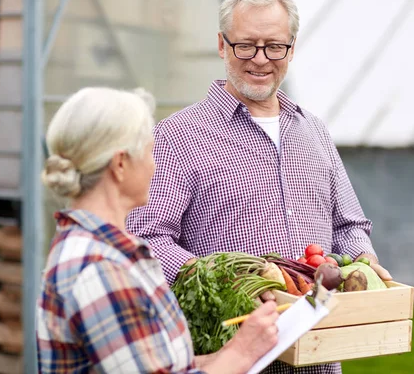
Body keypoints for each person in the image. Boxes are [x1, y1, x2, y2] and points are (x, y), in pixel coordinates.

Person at [127, 0, 392, 374]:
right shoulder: (177, 136)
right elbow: (146, 239)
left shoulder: (314, 131)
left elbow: (349, 223)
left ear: (292, 48)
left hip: (318, 358)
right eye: (246, 45)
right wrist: (226, 282)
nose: (261, 59)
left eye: (274, 46)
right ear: (222, 45)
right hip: (231, 358)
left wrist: (362, 263)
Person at [36, 87, 281, 374]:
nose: (154, 166)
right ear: (120, 164)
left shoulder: (103, 249)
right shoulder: (102, 269)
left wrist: (222, 356)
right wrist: (242, 352)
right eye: (151, 152)